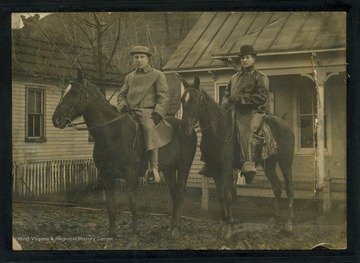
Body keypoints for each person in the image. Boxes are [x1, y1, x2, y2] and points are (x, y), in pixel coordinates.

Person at [199, 45, 269, 184]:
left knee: (245, 131)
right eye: (242, 58)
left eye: (247, 57)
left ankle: (248, 164)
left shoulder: (260, 77)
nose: (244, 60)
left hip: (252, 112)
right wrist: (225, 102)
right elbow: (227, 94)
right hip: (234, 111)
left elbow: (262, 96)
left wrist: (241, 99)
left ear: (253, 59)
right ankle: (209, 161)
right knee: (215, 127)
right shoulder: (234, 78)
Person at [117, 46, 172, 183]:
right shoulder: (130, 77)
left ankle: (153, 168)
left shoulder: (157, 75)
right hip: (130, 111)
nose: (139, 60)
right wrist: (123, 105)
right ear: (133, 60)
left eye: (142, 57)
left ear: (148, 59)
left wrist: (158, 112)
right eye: (136, 57)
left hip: (147, 112)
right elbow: (121, 94)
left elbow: (164, 96)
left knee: (148, 129)